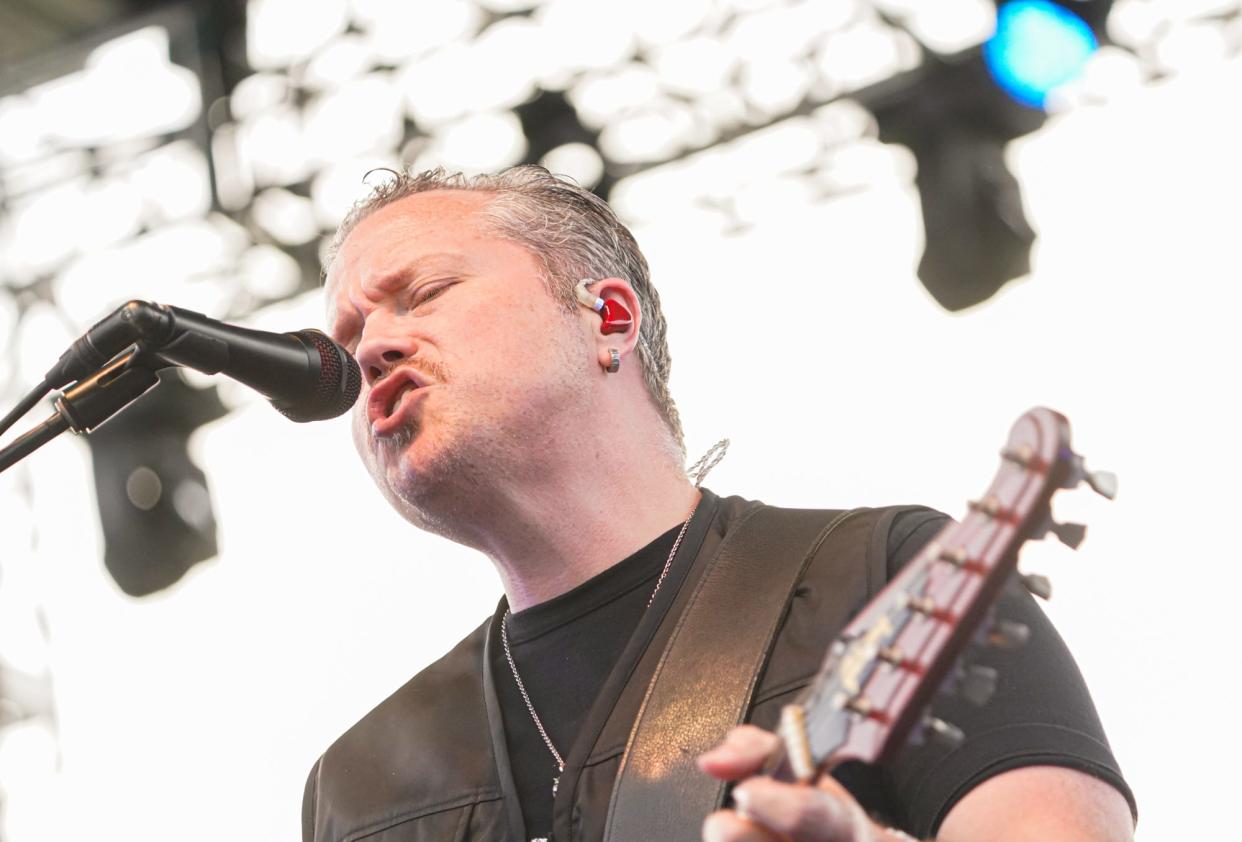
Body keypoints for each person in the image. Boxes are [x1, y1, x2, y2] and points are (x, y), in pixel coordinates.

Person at [304, 165, 1136, 842]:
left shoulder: (892, 576)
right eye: (347, 341)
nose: (371, 348)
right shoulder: (359, 783)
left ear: (609, 319)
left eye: (427, 292)